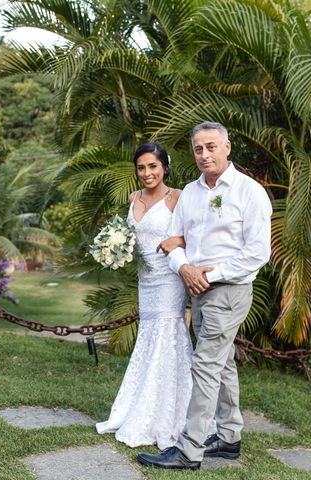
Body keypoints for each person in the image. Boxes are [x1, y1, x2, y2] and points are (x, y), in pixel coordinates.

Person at [137, 121, 272, 470]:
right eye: (198, 149)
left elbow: (257, 253)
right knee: (223, 363)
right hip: (196, 289)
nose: (204, 154)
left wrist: (210, 274)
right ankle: (228, 438)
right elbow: (175, 238)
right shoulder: (191, 193)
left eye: (211, 147)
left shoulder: (249, 192)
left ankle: (189, 449)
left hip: (228, 290)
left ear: (227, 148)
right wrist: (185, 269)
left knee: (206, 365)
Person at [96, 142, 194, 449]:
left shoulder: (177, 197)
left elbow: (195, 233)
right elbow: (130, 236)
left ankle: (168, 416)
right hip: (145, 280)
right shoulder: (133, 197)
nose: (147, 173)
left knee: (168, 335)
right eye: (141, 167)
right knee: (150, 335)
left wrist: (175, 239)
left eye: (153, 166)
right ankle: (142, 406)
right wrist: (114, 250)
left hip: (169, 277)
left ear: (164, 167)